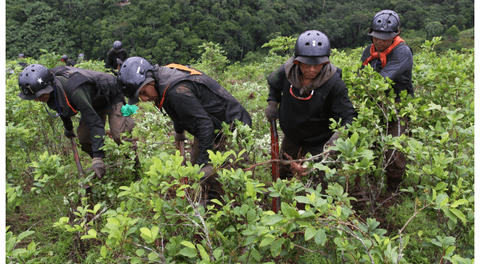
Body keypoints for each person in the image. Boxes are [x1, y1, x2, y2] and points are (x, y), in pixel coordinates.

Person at [117, 56, 252, 180]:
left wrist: (204, 163)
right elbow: (175, 109)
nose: (144, 99)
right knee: (194, 170)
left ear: (149, 79)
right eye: (140, 96)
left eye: (143, 92)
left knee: (234, 177)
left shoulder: (176, 91)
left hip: (232, 127)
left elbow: (204, 125)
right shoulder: (162, 79)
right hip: (208, 124)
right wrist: (179, 132)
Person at [265, 30, 357, 189]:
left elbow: (348, 116)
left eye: (317, 65)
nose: (312, 70)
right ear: (297, 61)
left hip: (321, 138)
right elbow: (274, 85)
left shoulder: (334, 83)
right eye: (306, 64)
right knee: (283, 172)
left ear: (325, 63)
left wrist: (336, 138)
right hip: (293, 134)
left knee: (326, 180)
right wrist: (272, 102)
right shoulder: (287, 71)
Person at [17, 64, 136, 179]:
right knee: (84, 139)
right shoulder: (51, 93)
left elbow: (94, 122)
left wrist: (97, 157)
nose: (38, 99)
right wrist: (68, 128)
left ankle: (135, 167)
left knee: (119, 136)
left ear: (49, 86)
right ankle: (104, 166)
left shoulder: (73, 90)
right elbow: (61, 108)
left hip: (111, 96)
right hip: (93, 102)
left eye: (40, 95)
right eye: (35, 97)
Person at [360, 10, 413, 189]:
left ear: (395, 35)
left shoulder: (403, 51)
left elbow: (381, 80)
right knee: (369, 146)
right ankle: (371, 185)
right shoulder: (369, 51)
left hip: (399, 105)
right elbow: (362, 76)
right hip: (375, 104)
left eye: (385, 38)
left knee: (394, 149)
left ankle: (393, 190)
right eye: (376, 37)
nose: (380, 41)